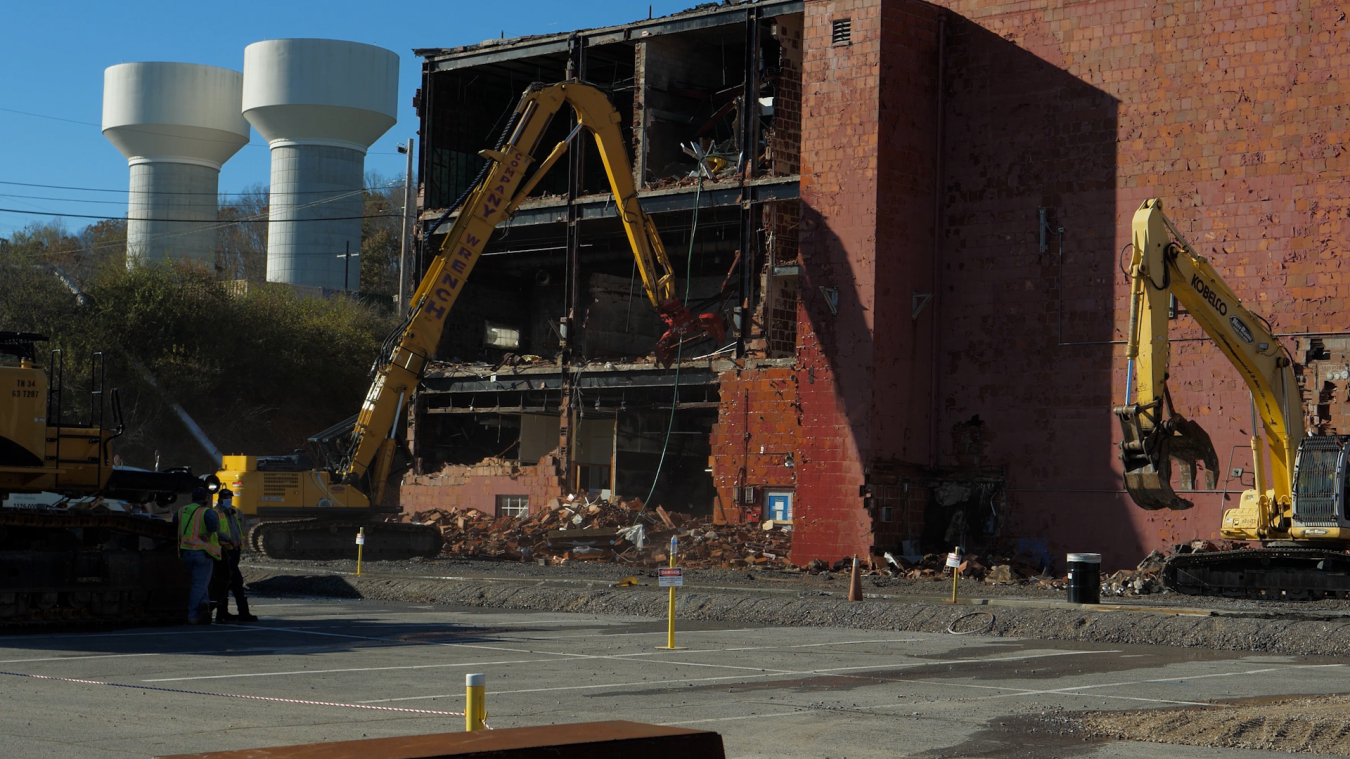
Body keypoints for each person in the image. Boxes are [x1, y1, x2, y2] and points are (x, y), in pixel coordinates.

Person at [212, 489, 258, 623]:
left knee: (228, 582)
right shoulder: (215, 513)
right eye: (226, 498)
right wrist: (228, 539)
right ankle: (242, 613)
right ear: (220, 499)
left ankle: (223, 613)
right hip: (224, 551)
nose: (229, 500)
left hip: (234, 550)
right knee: (235, 582)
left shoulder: (235, 512)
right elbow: (216, 531)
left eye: (230, 498)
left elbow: (240, 526)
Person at [177, 487, 220, 625]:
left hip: (186, 552)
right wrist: (208, 535)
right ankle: (193, 615)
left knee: (201, 583)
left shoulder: (182, 510)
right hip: (202, 553)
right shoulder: (206, 512)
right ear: (205, 499)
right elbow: (214, 525)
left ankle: (204, 604)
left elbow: (174, 523)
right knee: (199, 585)